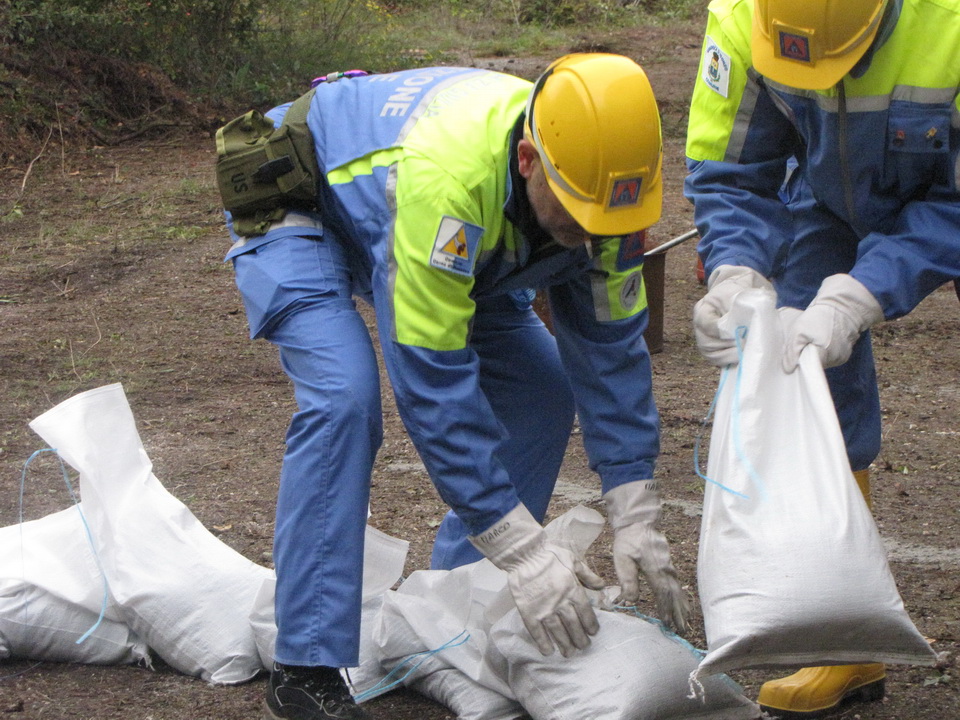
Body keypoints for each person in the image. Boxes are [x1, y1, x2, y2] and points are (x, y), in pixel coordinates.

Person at [218, 53, 690, 720]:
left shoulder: (606, 197)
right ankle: (305, 664)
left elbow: (611, 349)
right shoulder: (447, 183)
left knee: (540, 390)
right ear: (528, 159)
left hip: (471, 240)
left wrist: (633, 497)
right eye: (577, 212)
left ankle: (442, 615)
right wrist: (521, 549)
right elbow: (432, 379)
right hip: (303, 201)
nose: (591, 235)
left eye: (604, 221)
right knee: (344, 397)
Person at [684, 0, 960, 717]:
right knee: (806, 373)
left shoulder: (950, 25)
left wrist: (867, 290)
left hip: (947, 188)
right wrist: (735, 270)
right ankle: (848, 645)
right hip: (825, 197)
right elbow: (732, 169)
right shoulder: (741, 19)